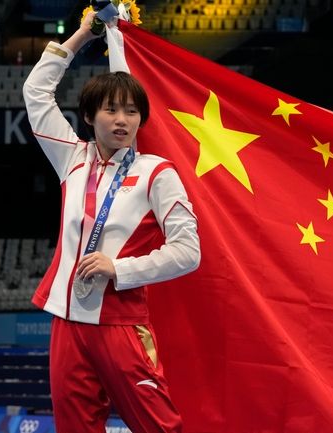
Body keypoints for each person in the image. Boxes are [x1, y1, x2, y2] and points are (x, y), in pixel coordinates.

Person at [23, 11, 200, 433]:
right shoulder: (72, 158)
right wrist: (86, 32)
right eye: (111, 110)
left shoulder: (158, 172)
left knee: (160, 427)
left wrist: (118, 269)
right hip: (66, 322)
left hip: (120, 325)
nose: (123, 120)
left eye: (132, 112)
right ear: (89, 116)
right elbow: (36, 92)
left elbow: (188, 252)